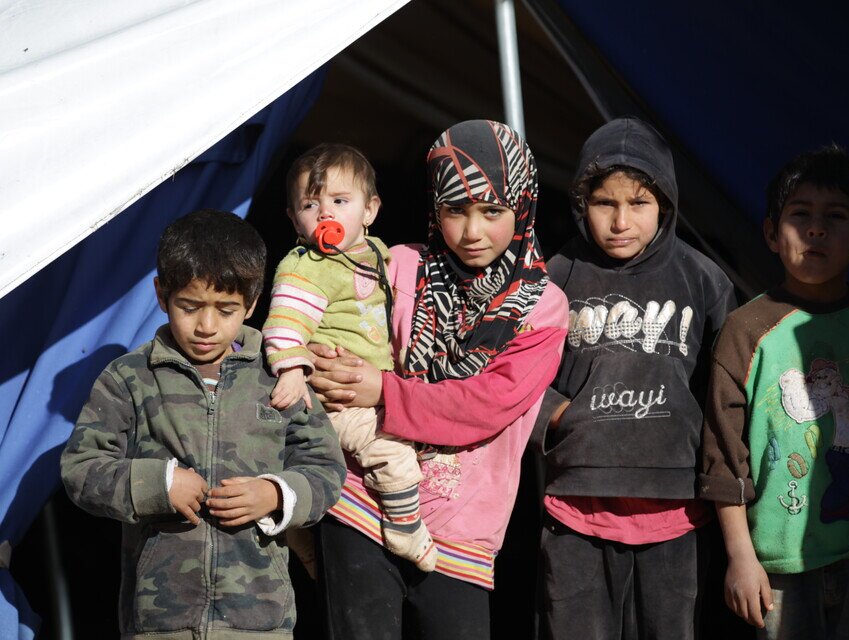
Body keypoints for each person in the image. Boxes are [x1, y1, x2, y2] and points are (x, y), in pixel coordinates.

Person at [308, 120, 569, 639]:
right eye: (455, 211)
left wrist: (383, 389)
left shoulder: (544, 308)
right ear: (435, 209)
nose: (472, 232)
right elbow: (332, 320)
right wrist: (321, 355)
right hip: (362, 499)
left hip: (461, 527)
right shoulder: (397, 266)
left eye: (492, 211)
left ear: (522, 207)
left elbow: (486, 404)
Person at [60, 209, 346, 639]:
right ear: (161, 294)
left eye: (226, 309)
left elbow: (326, 468)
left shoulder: (279, 376)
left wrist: (275, 494)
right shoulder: (128, 378)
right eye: (189, 306)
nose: (206, 326)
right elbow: (80, 469)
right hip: (161, 622)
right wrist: (158, 484)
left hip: (259, 621)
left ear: (252, 304)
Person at [700, 145, 849, 639]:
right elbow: (724, 459)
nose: (815, 229)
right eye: (800, 215)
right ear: (770, 232)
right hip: (781, 565)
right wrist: (741, 557)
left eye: (835, 217)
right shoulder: (745, 332)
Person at [533, 116, 736, 639]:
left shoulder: (703, 279)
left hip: (675, 505)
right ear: (582, 204)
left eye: (639, 203)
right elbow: (517, 372)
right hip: (579, 500)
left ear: (665, 205)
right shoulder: (556, 276)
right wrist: (559, 417)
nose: (621, 221)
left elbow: (725, 390)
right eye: (605, 203)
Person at [263, 143, 437, 571]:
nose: (326, 214)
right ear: (292, 218)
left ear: (370, 209)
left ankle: (299, 539)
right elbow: (284, 325)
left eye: (340, 202)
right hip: (334, 398)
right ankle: (404, 530)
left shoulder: (376, 253)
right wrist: (292, 371)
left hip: (374, 387)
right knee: (390, 453)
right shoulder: (305, 267)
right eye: (310, 205)